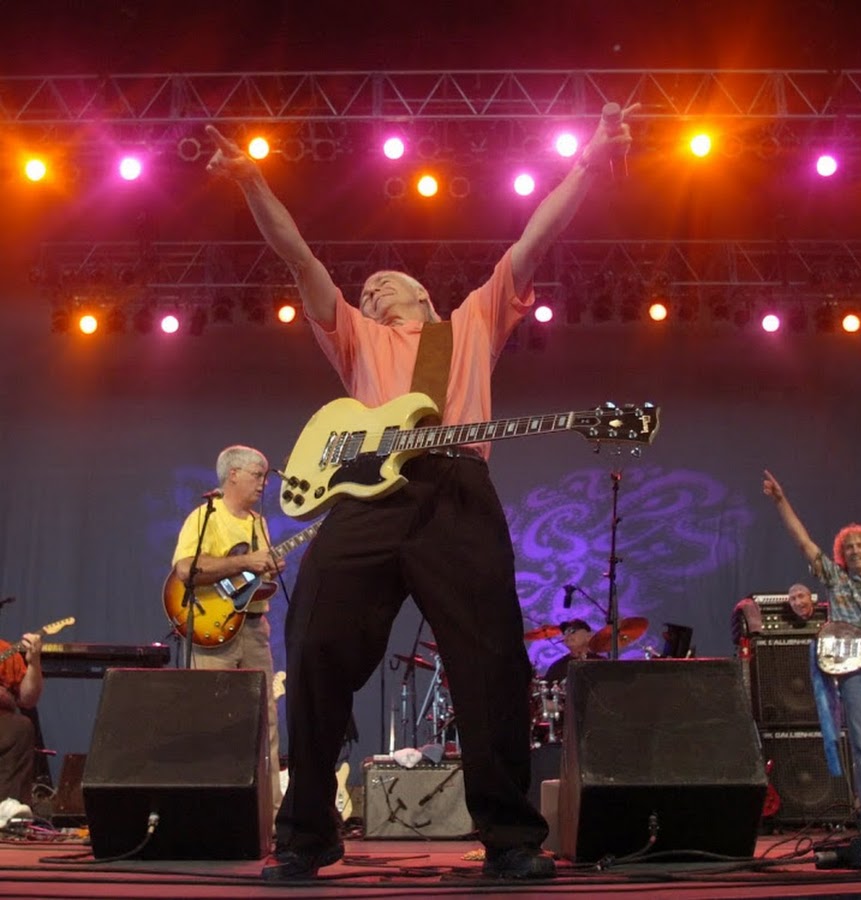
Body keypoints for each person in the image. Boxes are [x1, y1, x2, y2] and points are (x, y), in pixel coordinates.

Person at [205, 103, 635, 881]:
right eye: (365, 289)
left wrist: (588, 163)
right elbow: (298, 257)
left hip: (454, 489)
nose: (371, 290)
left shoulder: (467, 323)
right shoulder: (354, 336)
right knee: (314, 643)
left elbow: (535, 237)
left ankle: (509, 838)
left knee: (491, 660)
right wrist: (252, 183)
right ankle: (308, 832)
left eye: (385, 285)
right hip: (366, 497)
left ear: (424, 297)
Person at [762, 468, 861, 833]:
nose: (855, 550)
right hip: (854, 673)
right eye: (848, 546)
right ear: (842, 553)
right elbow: (803, 541)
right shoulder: (835, 578)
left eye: (860, 545)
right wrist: (781, 501)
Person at [171, 445, 286, 820]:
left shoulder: (259, 523)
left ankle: (271, 816)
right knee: (210, 718)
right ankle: (208, 815)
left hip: (254, 628)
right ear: (233, 474)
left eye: (265, 476)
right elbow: (186, 569)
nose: (264, 483)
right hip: (212, 626)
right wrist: (247, 561)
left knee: (266, 722)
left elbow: (252, 582)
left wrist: (268, 570)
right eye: (257, 475)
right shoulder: (205, 516)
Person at [0, 631, 43, 803]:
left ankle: (8, 806)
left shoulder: (5, 650)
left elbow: (28, 699)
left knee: (21, 727)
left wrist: (34, 663)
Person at [544, 620, 600, 684]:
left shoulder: (600, 663)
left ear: (588, 636)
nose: (567, 635)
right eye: (565, 633)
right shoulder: (557, 667)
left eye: (573, 631)